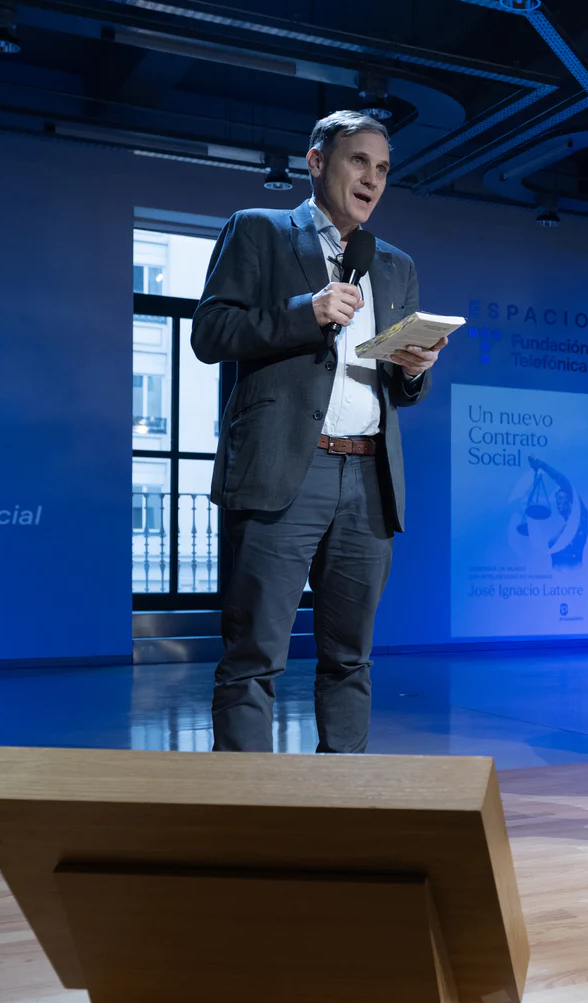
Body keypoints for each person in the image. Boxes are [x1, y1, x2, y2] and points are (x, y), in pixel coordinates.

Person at [192, 110, 448, 754]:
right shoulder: (260, 232)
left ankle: (344, 805)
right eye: (358, 161)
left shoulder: (394, 265)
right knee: (254, 656)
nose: (372, 178)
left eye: (383, 168)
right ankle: (243, 814)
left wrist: (415, 369)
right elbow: (210, 334)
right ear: (315, 162)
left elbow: (396, 389)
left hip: (369, 479)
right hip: (283, 472)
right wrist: (303, 312)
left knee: (350, 659)